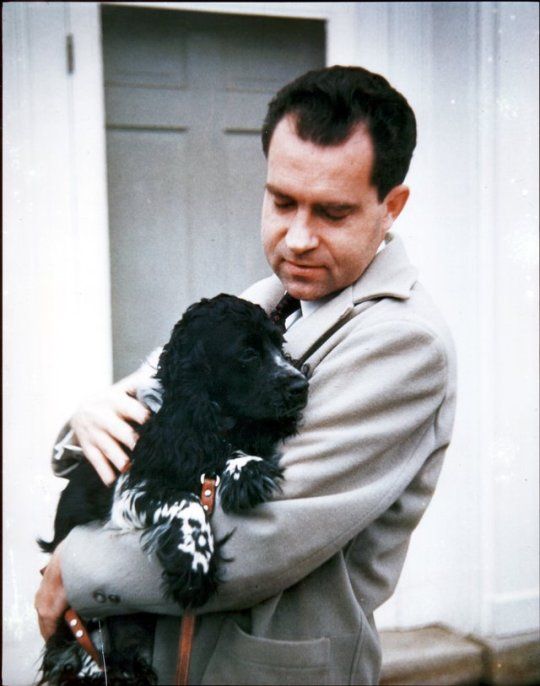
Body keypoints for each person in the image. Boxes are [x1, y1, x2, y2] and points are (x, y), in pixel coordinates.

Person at [35, 65, 456, 685]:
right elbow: (143, 402)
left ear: (391, 207)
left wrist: (74, 567)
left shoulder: (404, 343)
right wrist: (87, 417)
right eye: (282, 201)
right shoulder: (265, 297)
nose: (299, 237)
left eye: (333, 213)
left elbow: (259, 540)